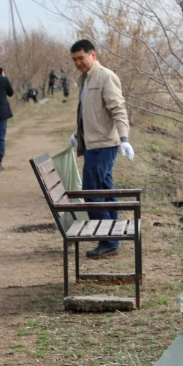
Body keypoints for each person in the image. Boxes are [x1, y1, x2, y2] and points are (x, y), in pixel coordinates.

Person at [68, 39, 134, 259]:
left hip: (103, 145)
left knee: (92, 193)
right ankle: (113, 236)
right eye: (74, 59)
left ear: (93, 55)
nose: (78, 62)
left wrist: (124, 138)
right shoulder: (84, 79)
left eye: (81, 58)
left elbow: (118, 109)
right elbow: (91, 112)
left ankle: (108, 241)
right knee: (106, 192)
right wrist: (78, 135)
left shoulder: (105, 76)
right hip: (92, 144)